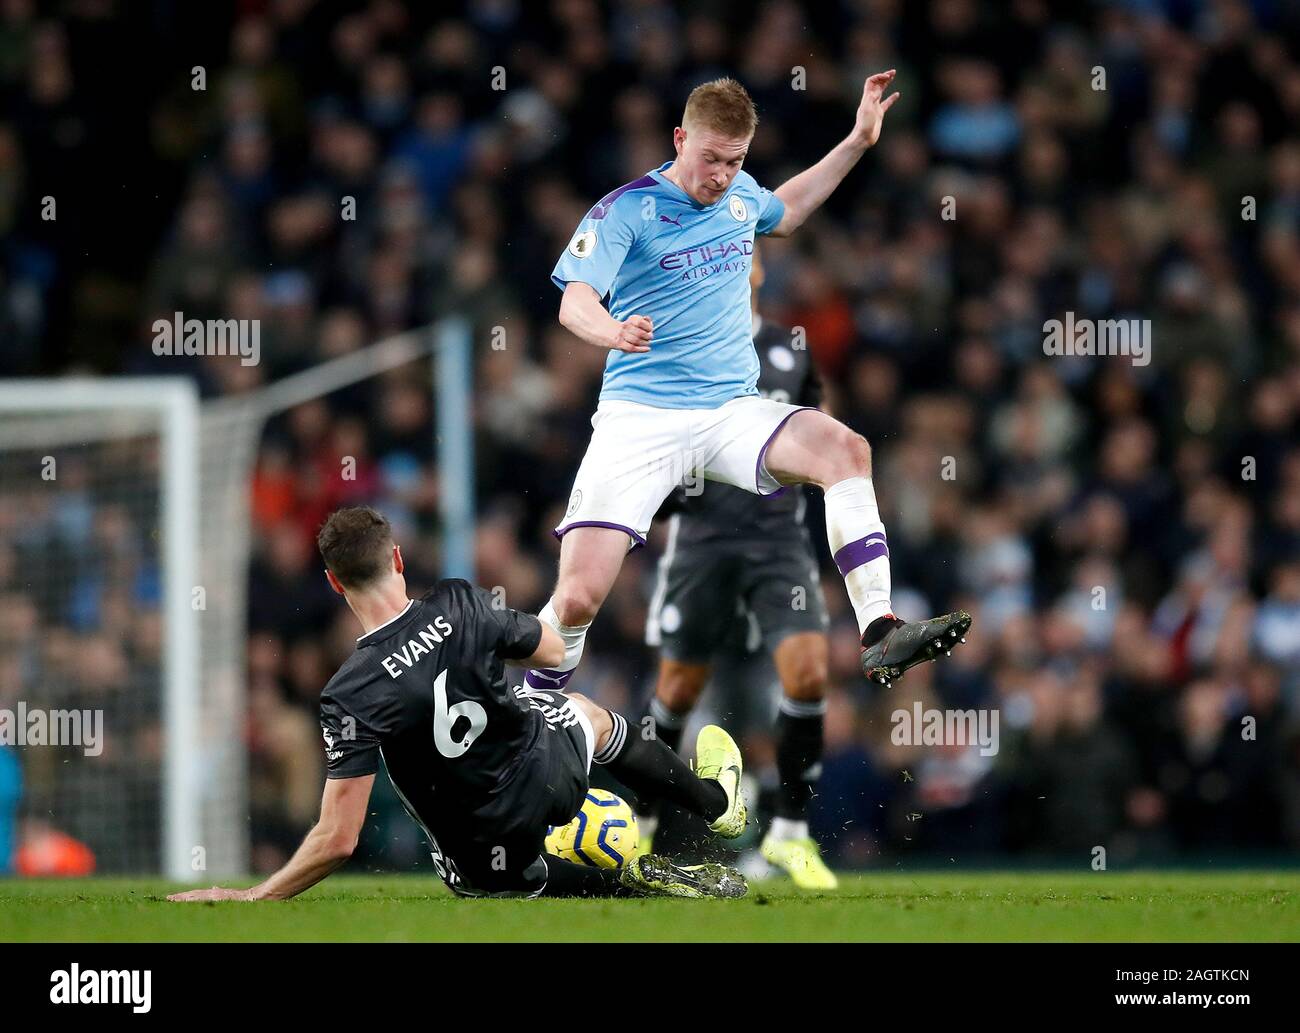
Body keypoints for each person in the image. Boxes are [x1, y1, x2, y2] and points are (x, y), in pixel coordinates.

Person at [527, 72, 970, 730]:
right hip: (641, 419)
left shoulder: (739, 198)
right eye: (710, 158)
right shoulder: (626, 209)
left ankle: (878, 625)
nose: (721, 176)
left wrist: (856, 141)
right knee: (579, 596)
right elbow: (574, 301)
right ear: (680, 138)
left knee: (846, 447)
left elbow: (785, 210)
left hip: (729, 412)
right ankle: (531, 707)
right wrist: (612, 331)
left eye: (735, 162)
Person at [169, 506, 748, 902]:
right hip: (548, 774)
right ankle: (715, 802)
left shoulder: (349, 692)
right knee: (588, 715)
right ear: (396, 558)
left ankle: (638, 883)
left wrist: (254, 894)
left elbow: (338, 839)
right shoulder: (459, 603)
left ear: (335, 584)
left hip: (481, 854)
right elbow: (551, 651)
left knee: (504, 877)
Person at [639, 246, 837, 888]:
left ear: (754, 272)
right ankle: (640, 824)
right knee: (677, 691)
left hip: (778, 539)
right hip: (703, 540)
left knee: (807, 674)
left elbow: (818, 429)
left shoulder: (791, 348)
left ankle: (790, 832)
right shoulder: (682, 348)